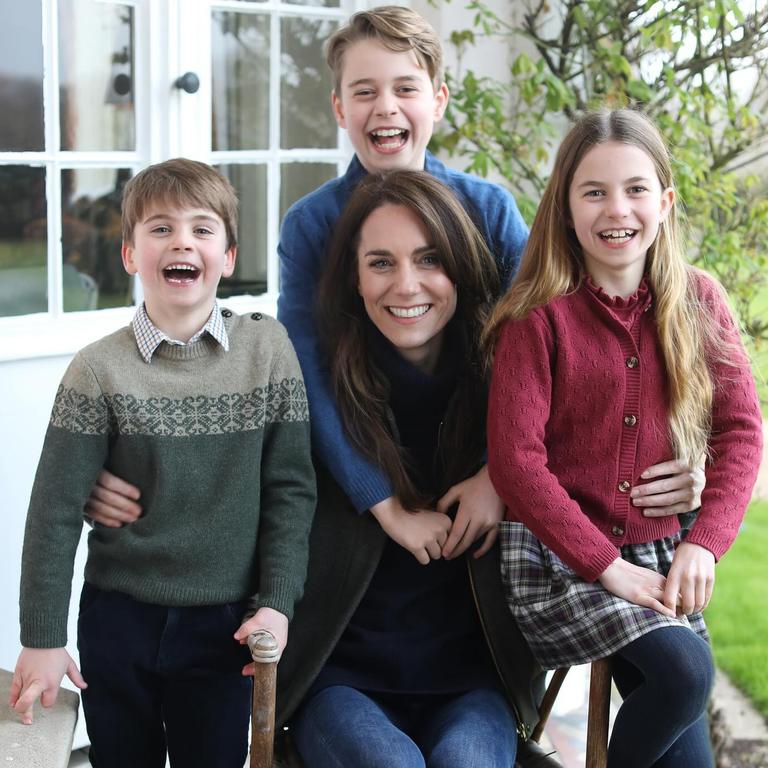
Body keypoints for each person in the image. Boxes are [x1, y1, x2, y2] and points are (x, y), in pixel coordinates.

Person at [85, 5, 704, 557]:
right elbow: (304, 375)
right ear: (339, 108)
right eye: (364, 91)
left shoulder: (488, 210)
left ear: (437, 100)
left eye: (405, 87)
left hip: (480, 469)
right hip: (363, 476)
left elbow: (559, 349)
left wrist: (500, 477)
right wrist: (381, 501)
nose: (385, 106)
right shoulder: (311, 226)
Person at [10, 159, 316, 768]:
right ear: (129, 255)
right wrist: (41, 639)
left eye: (203, 230)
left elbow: (291, 489)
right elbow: (54, 508)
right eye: (160, 229)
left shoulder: (267, 349)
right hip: (117, 617)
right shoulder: (97, 370)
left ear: (228, 258)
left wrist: (276, 603)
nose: (182, 241)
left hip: (227, 623)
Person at [485, 109, 763, 768]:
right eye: (595, 191)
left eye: (636, 189)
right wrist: (606, 566)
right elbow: (516, 463)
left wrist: (706, 542)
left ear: (664, 202)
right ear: (566, 205)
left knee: (685, 733)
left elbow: (741, 430)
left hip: (659, 553)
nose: (618, 208)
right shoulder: (537, 319)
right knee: (687, 673)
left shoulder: (698, 300)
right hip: (558, 563)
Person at [277, 169, 554, 768]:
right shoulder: (318, 398)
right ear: (352, 278)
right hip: (342, 677)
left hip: (473, 680)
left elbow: (604, 443)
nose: (406, 285)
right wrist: (114, 479)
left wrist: (686, 477)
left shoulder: (507, 396)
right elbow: (224, 464)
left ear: (463, 268)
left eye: (430, 259)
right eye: (380, 263)